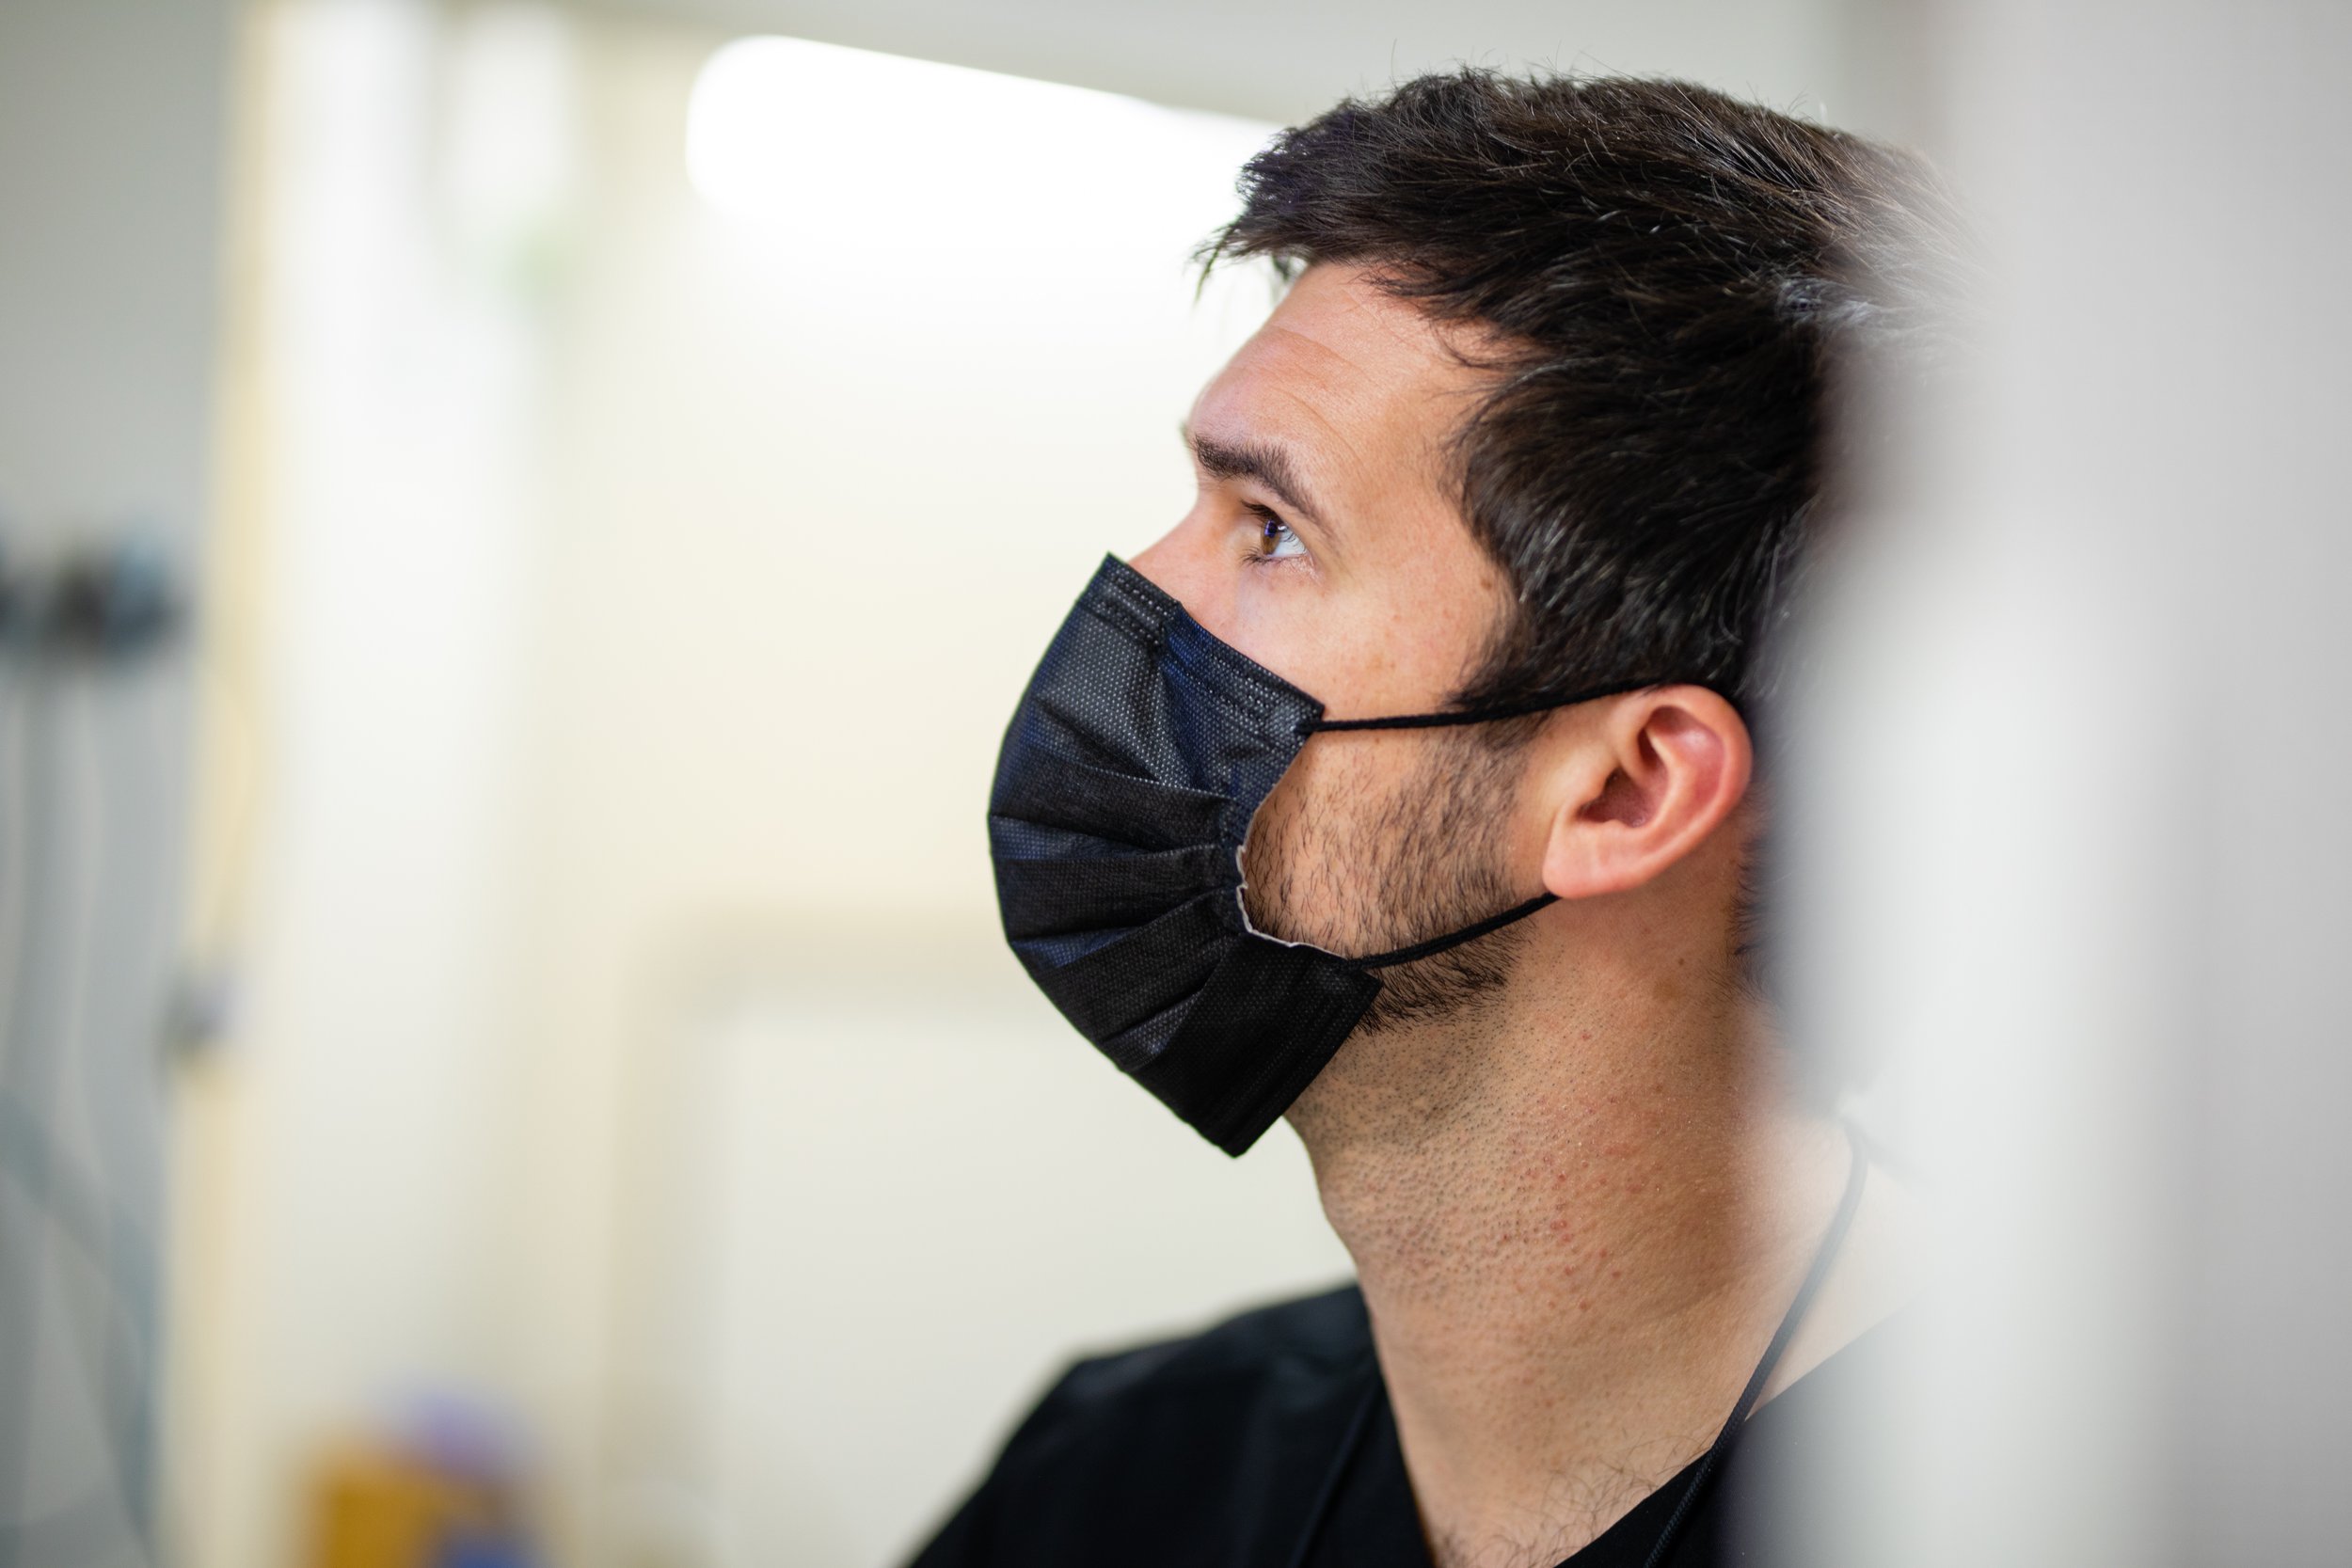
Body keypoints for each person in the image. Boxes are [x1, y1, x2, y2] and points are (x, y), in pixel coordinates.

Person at [922, 69, 1955, 1568]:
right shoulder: (1122, 1477)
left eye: (1271, 532)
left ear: (1627, 788)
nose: (1137, 596)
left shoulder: (2098, 1496)